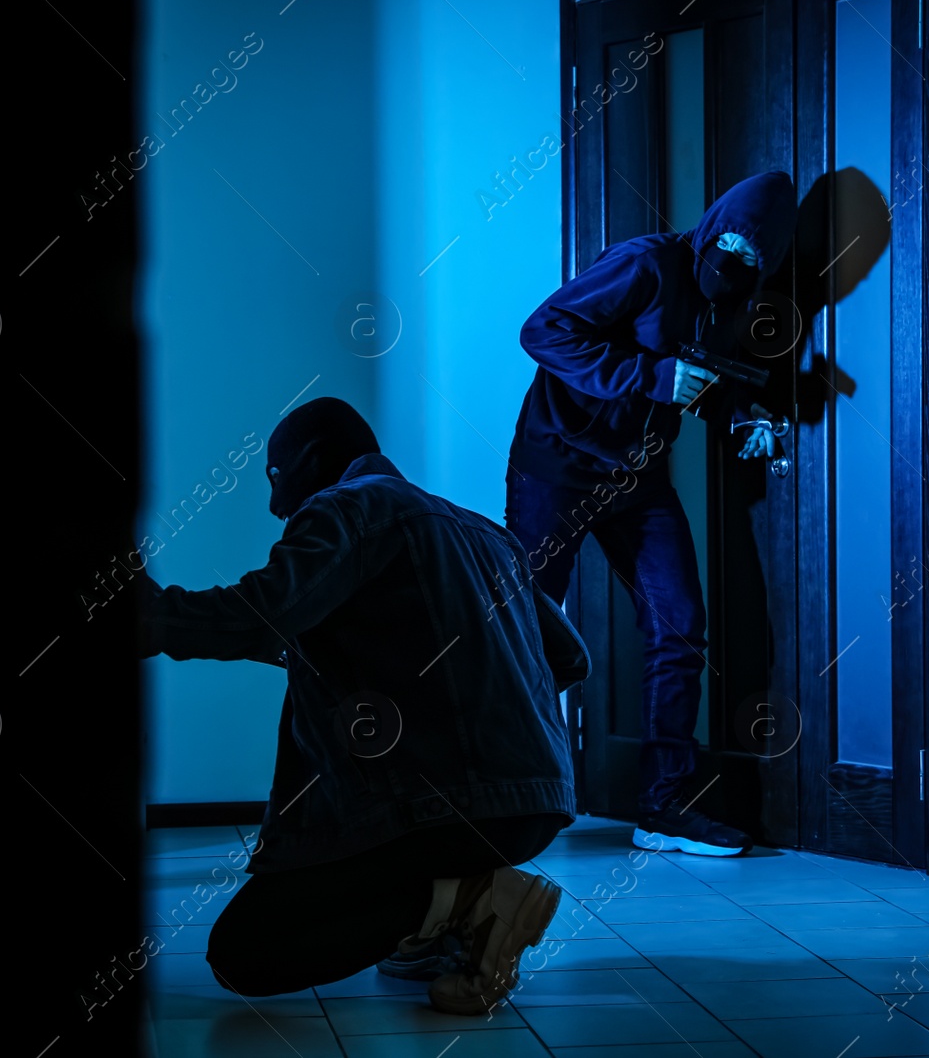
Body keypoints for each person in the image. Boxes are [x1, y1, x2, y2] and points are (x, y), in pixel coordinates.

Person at [135, 396, 591, 1014]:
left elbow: (259, 613)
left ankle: (471, 898)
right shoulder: (487, 533)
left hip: (438, 809)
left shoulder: (349, 507)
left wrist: (147, 616)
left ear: (316, 459)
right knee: (381, 934)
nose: (276, 506)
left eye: (276, 478)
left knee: (247, 951)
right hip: (533, 807)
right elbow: (570, 659)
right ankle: (451, 919)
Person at [505, 170, 798, 856]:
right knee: (527, 631)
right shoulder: (643, 263)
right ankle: (507, 795)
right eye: (728, 242)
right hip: (556, 467)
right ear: (711, 225)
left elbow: (697, 371)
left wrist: (735, 412)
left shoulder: (735, 298)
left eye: (753, 256)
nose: (735, 260)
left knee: (681, 625)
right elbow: (542, 330)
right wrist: (647, 376)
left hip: (637, 478)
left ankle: (662, 807)